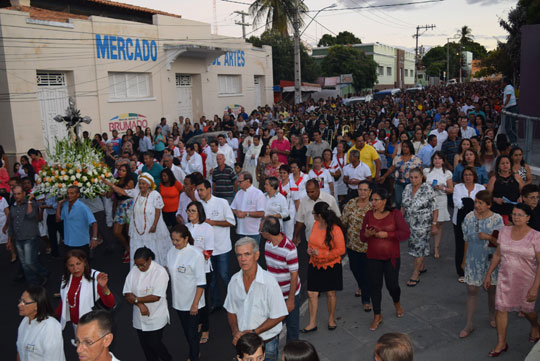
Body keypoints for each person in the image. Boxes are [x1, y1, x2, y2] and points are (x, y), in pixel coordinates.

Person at [484, 204, 540, 357]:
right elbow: (497, 254)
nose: (516, 217)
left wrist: (535, 287)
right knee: (501, 309)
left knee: (527, 310)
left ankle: (535, 326)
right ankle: (501, 343)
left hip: (526, 280)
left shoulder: (536, 236)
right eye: (514, 214)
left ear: (528, 218)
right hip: (505, 278)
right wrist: (489, 274)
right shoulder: (504, 231)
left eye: (520, 215)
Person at [224, 237, 288, 361]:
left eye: (247, 254)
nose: (242, 259)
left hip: (266, 343)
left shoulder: (269, 282)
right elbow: (231, 310)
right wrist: (235, 331)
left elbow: (280, 315)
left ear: (256, 255)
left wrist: (255, 332)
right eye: (239, 255)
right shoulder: (234, 281)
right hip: (244, 345)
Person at [361, 188, 410, 331]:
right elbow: (362, 236)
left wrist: (387, 235)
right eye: (372, 200)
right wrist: (368, 234)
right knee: (375, 286)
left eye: (376, 200)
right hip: (373, 257)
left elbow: (405, 233)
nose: (373, 202)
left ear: (384, 201)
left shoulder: (395, 214)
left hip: (391, 257)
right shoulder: (369, 215)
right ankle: (377, 315)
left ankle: (397, 302)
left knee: (392, 285)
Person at [459, 191, 504, 338]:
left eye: (480, 203)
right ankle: (469, 324)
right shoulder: (469, 217)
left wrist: (488, 236)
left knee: (491, 290)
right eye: (476, 202)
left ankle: (492, 315)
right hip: (473, 258)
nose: (476, 205)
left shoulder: (497, 219)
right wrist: (464, 260)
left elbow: (501, 243)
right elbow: (466, 239)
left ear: (489, 205)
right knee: (471, 290)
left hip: (491, 260)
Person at [103, 173, 171, 267]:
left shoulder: (155, 195)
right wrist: (109, 184)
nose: (141, 185)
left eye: (144, 183)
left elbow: (158, 212)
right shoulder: (136, 192)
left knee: (153, 247)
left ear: (149, 184)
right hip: (137, 226)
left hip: (151, 226)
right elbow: (122, 191)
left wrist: (154, 225)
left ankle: (154, 268)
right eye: (140, 183)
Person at [301, 202, 345, 333]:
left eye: (314, 213)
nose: (313, 216)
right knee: (311, 293)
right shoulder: (315, 224)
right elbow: (312, 241)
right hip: (315, 264)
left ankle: (331, 319)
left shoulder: (335, 229)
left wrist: (322, 253)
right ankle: (312, 323)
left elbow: (341, 250)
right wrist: (310, 250)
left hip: (331, 265)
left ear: (319, 215)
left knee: (331, 293)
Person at [123, 247, 171, 361]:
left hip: (156, 316)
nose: (139, 268)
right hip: (139, 317)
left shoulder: (160, 272)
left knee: (154, 344)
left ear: (149, 260)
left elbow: (155, 296)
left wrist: (136, 300)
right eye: (137, 265)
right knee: (145, 347)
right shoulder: (134, 270)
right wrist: (139, 304)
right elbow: (127, 293)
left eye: (142, 265)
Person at [167, 224, 206, 361]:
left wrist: (195, 304)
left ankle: (194, 356)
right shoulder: (171, 251)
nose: (174, 243)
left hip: (192, 302)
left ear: (186, 238)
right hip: (178, 301)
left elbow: (201, 283)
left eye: (177, 240)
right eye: (173, 239)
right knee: (187, 332)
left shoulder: (196, 255)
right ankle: (195, 351)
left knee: (192, 333)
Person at [195, 180, 235, 312]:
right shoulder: (198, 205)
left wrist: (213, 222)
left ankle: (233, 301)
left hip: (222, 246)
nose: (199, 193)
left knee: (224, 275)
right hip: (207, 249)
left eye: (201, 190)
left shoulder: (221, 202)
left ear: (209, 189)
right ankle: (216, 303)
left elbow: (231, 222)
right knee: (211, 278)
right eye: (198, 190)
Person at [262, 216, 301, 341]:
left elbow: (294, 275)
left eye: (261, 231)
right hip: (274, 294)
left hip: (288, 294)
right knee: (272, 325)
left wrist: (290, 300)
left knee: (292, 326)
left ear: (267, 233)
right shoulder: (268, 244)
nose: (260, 233)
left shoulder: (289, 249)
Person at [57, 249, 114, 330]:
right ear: (66, 266)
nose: (75, 268)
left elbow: (110, 304)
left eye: (78, 264)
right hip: (76, 325)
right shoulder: (66, 279)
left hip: (93, 325)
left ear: (84, 262)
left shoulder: (95, 278)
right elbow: (64, 302)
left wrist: (104, 287)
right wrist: (56, 319)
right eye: (71, 265)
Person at [401, 168, 437, 287]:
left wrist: (434, 225)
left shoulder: (427, 189)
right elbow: (403, 206)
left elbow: (435, 208)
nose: (413, 180)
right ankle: (421, 266)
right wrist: (399, 222)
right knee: (413, 247)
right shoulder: (407, 188)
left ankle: (415, 273)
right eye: (411, 177)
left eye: (416, 177)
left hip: (423, 225)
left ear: (421, 177)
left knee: (420, 248)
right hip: (409, 224)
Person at [185, 201, 214, 344]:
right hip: (188, 271)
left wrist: (194, 257)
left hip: (204, 270)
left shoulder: (207, 228)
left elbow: (209, 252)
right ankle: (198, 323)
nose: (190, 214)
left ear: (199, 213)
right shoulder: (185, 228)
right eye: (188, 211)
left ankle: (206, 328)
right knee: (192, 298)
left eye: (193, 211)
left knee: (203, 301)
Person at [7, 186, 48, 285]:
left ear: (24, 194)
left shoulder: (32, 204)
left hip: (30, 237)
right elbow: (11, 224)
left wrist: (29, 201)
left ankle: (44, 273)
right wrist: (9, 240)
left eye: (19, 193)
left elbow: (31, 215)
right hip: (18, 239)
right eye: (15, 194)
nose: (17, 196)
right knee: (24, 264)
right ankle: (32, 282)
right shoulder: (13, 207)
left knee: (30, 262)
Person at [341, 180, 372, 310]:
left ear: (370, 192)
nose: (362, 192)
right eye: (360, 189)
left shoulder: (373, 206)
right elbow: (343, 221)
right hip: (352, 244)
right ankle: (361, 286)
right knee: (354, 268)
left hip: (368, 246)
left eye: (365, 190)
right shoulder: (350, 203)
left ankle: (366, 299)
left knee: (366, 272)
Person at [453, 167, 486, 283]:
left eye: (470, 175)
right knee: (460, 246)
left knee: (476, 245)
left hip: (478, 220)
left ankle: (476, 270)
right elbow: (457, 202)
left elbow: (483, 203)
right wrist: (472, 203)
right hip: (459, 221)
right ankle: (461, 271)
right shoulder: (457, 187)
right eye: (466, 175)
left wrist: (468, 202)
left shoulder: (480, 188)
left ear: (474, 176)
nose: (468, 177)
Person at [17, 285, 65, 361]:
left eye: (24, 302)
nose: (19, 305)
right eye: (20, 301)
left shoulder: (51, 327)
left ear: (37, 305)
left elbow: (53, 358)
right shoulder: (25, 321)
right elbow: (20, 351)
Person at [423, 152, 453, 259]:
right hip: (428, 199)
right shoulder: (426, 171)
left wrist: (442, 188)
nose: (437, 160)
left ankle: (436, 247)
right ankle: (425, 245)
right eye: (435, 158)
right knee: (427, 223)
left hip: (441, 199)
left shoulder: (447, 173)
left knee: (439, 224)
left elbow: (451, 189)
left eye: (439, 158)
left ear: (443, 161)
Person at [293, 179, 340, 246]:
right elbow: (300, 220)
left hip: (327, 239)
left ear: (318, 189)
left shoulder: (329, 199)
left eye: (312, 192)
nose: (310, 194)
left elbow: (337, 217)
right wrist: (295, 236)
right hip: (310, 239)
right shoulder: (304, 201)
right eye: (307, 192)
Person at [379, 140, 422, 209]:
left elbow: (420, 172)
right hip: (398, 183)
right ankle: (400, 216)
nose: (405, 148)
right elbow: (391, 168)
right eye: (403, 147)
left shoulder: (416, 159)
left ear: (410, 148)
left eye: (407, 147)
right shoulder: (397, 158)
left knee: (409, 202)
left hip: (411, 184)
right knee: (398, 201)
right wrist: (384, 176)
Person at [110, 164, 135, 263]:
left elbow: (122, 193)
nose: (121, 172)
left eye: (123, 170)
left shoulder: (130, 181)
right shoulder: (115, 181)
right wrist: (111, 186)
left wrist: (113, 185)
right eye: (120, 170)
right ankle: (127, 248)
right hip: (120, 206)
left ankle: (131, 252)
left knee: (129, 232)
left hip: (129, 205)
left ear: (127, 172)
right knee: (116, 232)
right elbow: (109, 195)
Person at [487, 154, 523, 224]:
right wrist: (496, 199)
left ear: (510, 164)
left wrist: (521, 197)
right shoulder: (493, 179)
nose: (505, 165)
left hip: (514, 210)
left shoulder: (517, 177)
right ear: (498, 166)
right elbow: (488, 196)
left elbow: (524, 192)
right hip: (498, 210)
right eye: (502, 163)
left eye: (507, 163)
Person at [231, 172, 266, 242]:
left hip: (253, 232)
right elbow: (232, 208)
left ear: (248, 181)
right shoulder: (239, 193)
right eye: (238, 182)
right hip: (240, 231)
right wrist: (237, 212)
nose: (238, 184)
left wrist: (246, 214)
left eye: (240, 182)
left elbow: (261, 213)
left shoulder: (258, 193)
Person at [501, 77, 518, 145]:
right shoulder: (508, 87)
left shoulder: (508, 87)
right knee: (509, 125)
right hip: (509, 108)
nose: (501, 83)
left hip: (511, 108)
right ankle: (512, 140)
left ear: (505, 82)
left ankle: (513, 141)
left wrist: (504, 105)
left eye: (502, 82)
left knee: (509, 126)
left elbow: (508, 97)